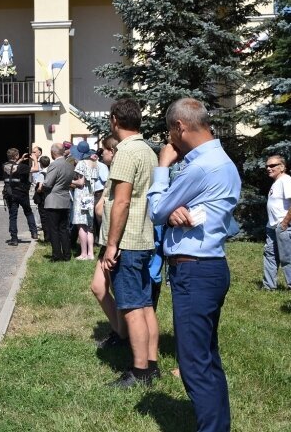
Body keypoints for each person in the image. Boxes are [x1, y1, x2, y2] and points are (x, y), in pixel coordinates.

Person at [147, 98, 240, 431]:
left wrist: (161, 167)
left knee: (194, 364)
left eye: (170, 133)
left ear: (179, 127)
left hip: (195, 270)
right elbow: (190, 209)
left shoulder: (201, 165)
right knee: (207, 359)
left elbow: (156, 210)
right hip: (211, 267)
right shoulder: (221, 160)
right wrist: (174, 211)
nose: (170, 141)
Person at [101, 98, 159, 388]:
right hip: (144, 237)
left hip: (128, 241)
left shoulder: (124, 152)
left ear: (114, 119)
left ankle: (139, 372)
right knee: (146, 305)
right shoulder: (148, 150)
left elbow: (121, 201)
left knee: (133, 307)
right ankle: (152, 363)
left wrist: (112, 245)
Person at [91, 135, 127, 349]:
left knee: (115, 289)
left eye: (104, 150)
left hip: (116, 240)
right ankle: (120, 331)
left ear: (112, 152)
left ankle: (122, 334)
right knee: (99, 287)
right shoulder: (111, 175)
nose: (101, 153)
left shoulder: (118, 176)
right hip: (106, 238)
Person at [42, 143, 75, 261]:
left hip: (53, 200)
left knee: (54, 229)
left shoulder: (54, 165)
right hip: (65, 199)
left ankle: (56, 255)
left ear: (53, 153)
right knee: (63, 229)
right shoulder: (69, 165)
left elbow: (48, 183)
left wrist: (41, 186)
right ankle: (67, 255)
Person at [262, 155, 291, 290]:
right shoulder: (276, 182)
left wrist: (285, 223)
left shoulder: (286, 180)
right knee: (270, 255)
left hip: (283, 226)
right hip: (272, 226)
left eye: (272, 165)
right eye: (267, 166)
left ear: (282, 167)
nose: (268, 168)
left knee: (287, 257)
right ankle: (268, 287)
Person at [3, 148, 39, 246]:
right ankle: (34, 232)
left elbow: (13, 168)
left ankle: (14, 239)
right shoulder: (22, 167)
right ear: (16, 156)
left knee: (13, 216)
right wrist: (35, 159)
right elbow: (36, 169)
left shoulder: (5, 166)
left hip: (10, 194)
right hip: (22, 193)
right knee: (28, 212)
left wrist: (20, 159)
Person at [71, 145, 98, 260]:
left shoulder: (81, 163)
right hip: (90, 196)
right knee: (89, 226)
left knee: (81, 225)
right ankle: (91, 254)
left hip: (81, 196)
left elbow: (81, 182)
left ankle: (83, 253)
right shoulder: (94, 164)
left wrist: (70, 180)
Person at [35, 154, 51, 243]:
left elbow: (40, 188)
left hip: (43, 198)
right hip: (51, 196)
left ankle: (47, 238)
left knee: (44, 219)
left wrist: (37, 191)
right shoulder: (51, 170)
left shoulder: (42, 173)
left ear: (40, 164)